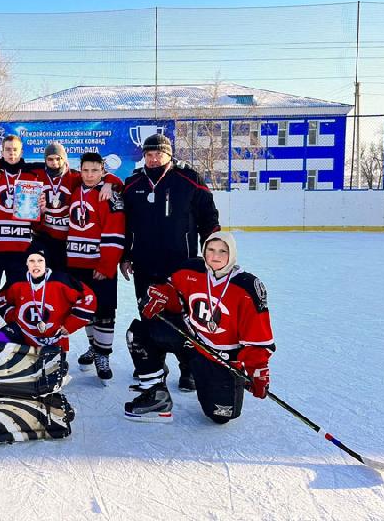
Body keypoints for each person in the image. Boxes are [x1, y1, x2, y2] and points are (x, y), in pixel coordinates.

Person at [124, 231, 274, 424]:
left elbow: (258, 336)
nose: (215, 256)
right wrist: (161, 296)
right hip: (191, 341)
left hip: (220, 358)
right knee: (139, 333)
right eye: (210, 250)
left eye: (222, 251)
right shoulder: (191, 269)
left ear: (232, 254)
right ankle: (155, 393)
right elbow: (174, 295)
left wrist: (258, 371)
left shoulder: (247, 287)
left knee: (221, 416)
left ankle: (200, 375)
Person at [121, 133, 220, 392]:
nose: (154, 159)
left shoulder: (189, 179)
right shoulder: (132, 184)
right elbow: (124, 226)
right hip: (144, 264)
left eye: (159, 154)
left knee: (185, 318)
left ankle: (188, 368)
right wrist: (125, 256)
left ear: (169, 155)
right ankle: (153, 364)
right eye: (149, 154)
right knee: (149, 314)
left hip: (182, 266)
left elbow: (209, 219)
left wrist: (214, 254)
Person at [0, 142, 120, 272]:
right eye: (50, 159)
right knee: (37, 273)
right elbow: (14, 165)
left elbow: (104, 177)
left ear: (64, 159)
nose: (54, 163)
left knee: (61, 278)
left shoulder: (75, 176)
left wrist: (109, 183)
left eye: (58, 159)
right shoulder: (37, 172)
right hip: (42, 236)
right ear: (45, 160)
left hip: (65, 239)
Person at [66, 153, 126, 384]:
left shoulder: (109, 196)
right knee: (85, 309)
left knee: (104, 311)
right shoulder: (74, 189)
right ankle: (94, 347)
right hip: (75, 263)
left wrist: (106, 265)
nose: (89, 175)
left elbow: (115, 233)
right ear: (79, 170)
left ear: (102, 171)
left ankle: (103, 355)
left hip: (98, 265)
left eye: (94, 170)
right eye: (85, 170)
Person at [0, 243, 96, 351]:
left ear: (46, 263)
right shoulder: (17, 281)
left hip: (52, 339)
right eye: (32, 260)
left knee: (44, 364)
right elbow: (2, 300)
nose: (36, 264)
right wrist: (12, 318)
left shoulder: (62, 281)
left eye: (40, 260)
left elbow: (88, 298)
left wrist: (70, 325)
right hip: (20, 334)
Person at [0, 134, 39, 296]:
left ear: (21, 152)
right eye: (8, 150)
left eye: (15, 150)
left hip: (19, 246)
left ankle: (14, 322)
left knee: (18, 293)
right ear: (1, 152)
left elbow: (62, 171)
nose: (11, 153)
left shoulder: (32, 175)